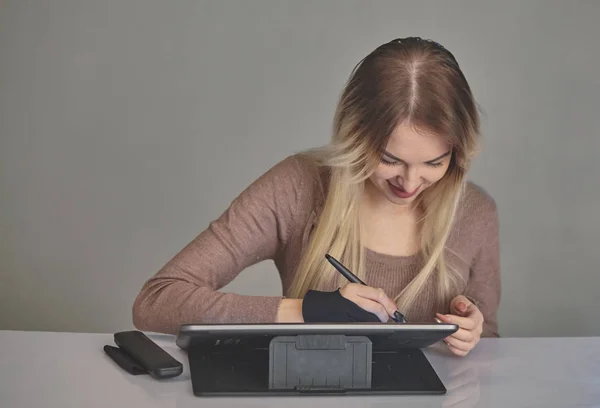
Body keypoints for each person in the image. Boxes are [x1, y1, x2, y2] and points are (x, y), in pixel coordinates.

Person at [132, 37, 501, 357]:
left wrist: (473, 331)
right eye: (388, 159)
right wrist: (307, 311)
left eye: (434, 163)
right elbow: (157, 301)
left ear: (457, 152)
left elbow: (491, 350)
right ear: (354, 137)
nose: (410, 182)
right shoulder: (298, 186)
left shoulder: (475, 213)